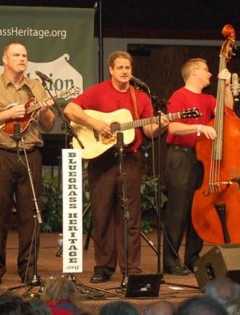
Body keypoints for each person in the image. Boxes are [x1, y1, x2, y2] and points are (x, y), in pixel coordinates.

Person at [64, 51, 167, 285]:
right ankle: (103, 266)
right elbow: (70, 110)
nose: (124, 72)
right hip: (101, 159)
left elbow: (149, 131)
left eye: (128, 68)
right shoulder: (98, 91)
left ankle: (132, 268)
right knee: (101, 214)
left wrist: (160, 126)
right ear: (111, 69)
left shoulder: (140, 97)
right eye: (120, 67)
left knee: (130, 215)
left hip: (130, 159)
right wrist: (96, 124)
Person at [0, 41, 55, 284]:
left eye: (25, 55)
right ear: (5, 60)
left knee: (30, 215)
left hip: (30, 154)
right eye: (16, 55)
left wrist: (44, 110)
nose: (22, 58)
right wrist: (8, 114)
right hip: (2, 154)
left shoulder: (36, 87)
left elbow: (48, 125)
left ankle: (29, 271)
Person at [163, 58, 233, 275]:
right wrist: (200, 128)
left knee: (199, 210)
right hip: (181, 157)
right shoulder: (179, 96)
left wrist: (227, 85)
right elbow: (173, 126)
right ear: (193, 73)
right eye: (206, 70)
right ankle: (171, 261)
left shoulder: (208, 98)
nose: (210, 74)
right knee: (178, 210)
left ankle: (192, 257)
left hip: (203, 158)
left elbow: (228, 110)